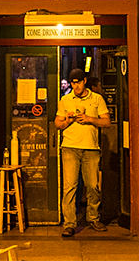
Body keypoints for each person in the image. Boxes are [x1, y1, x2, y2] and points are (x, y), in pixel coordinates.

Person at [54, 68, 110, 236]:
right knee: (69, 186)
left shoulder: (97, 98)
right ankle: (69, 223)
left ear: (85, 81)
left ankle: (93, 218)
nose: (76, 85)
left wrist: (90, 119)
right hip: (70, 147)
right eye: (73, 82)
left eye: (78, 82)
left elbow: (107, 122)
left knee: (93, 185)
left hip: (91, 148)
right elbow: (57, 123)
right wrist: (68, 121)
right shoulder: (65, 100)